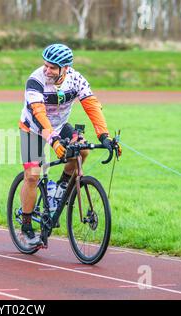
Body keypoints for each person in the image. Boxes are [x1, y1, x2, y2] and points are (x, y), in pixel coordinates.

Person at [18, 43, 114, 247]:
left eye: (52, 67)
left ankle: (59, 189)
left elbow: (92, 106)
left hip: (60, 126)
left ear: (65, 68)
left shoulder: (76, 79)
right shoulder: (36, 80)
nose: (47, 70)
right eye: (45, 65)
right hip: (33, 127)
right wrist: (52, 140)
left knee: (83, 150)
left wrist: (104, 135)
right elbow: (38, 113)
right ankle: (26, 227)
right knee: (33, 175)